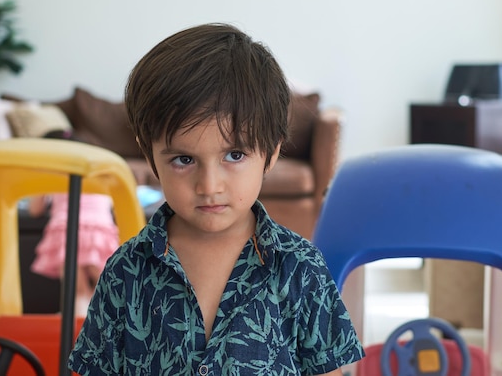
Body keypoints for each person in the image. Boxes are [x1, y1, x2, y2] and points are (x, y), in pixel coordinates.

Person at [68, 23, 364, 375]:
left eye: (234, 155)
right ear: (151, 160)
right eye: (184, 159)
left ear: (270, 154)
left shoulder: (300, 267)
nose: (209, 185)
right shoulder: (125, 272)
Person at [29, 129, 120, 317]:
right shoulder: (97, 172)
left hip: (66, 230)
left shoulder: (51, 172)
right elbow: (113, 203)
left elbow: (35, 210)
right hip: (99, 230)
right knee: (109, 286)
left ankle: (78, 324)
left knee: (76, 291)